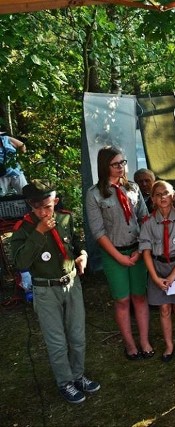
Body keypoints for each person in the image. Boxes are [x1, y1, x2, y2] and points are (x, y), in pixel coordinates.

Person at [12, 180, 100, 404]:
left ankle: (78, 375)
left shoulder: (65, 218)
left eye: (47, 206)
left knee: (77, 336)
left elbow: (77, 244)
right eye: (37, 207)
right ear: (29, 206)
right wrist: (39, 233)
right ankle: (65, 382)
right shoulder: (24, 228)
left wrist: (83, 256)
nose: (43, 212)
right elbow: (20, 261)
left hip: (71, 285)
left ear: (56, 202)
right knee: (57, 341)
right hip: (45, 289)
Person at [86, 146, 153, 361]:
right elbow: (98, 231)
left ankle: (144, 341)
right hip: (114, 254)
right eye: (116, 164)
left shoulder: (132, 188)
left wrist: (141, 250)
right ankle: (130, 344)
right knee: (123, 300)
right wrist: (119, 257)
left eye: (123, 163)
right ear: (105, 166)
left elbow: (145, 218)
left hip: (138, 251)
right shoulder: (94, 194)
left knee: (140, 297)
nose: (121, 168)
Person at [139, 180, 175, 363]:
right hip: (157, 267)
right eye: (158, 194)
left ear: (174, 196)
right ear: (153, 199)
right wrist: (155, 277)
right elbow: (145, 251)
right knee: (164, 309)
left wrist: (172, 275)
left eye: (166, 193)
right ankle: (169, 346)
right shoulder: (148, 222)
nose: (163, 197)